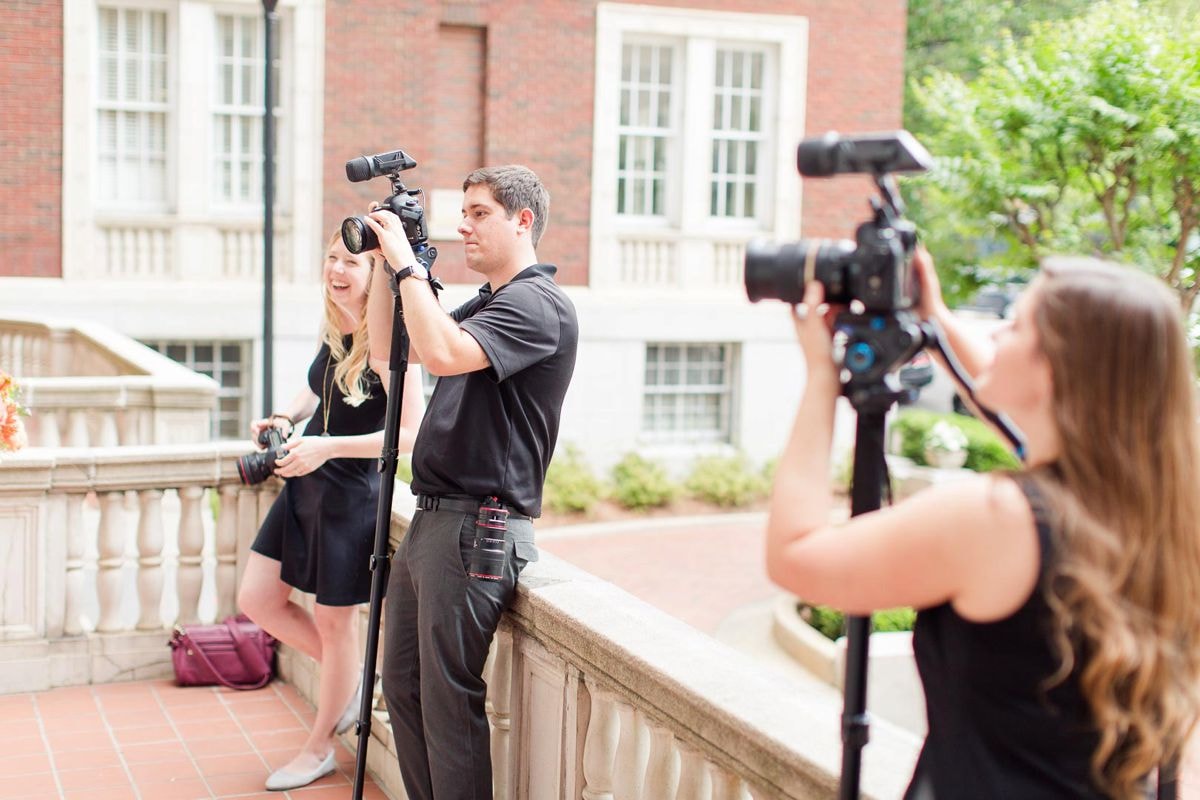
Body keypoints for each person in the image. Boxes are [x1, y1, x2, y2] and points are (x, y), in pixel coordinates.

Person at [765, 249, 1200, 800]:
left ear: (1056, 368)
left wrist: (822, 379)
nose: (995, 335)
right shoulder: (1154, 513)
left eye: (1015, 325)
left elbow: (795, 554)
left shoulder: (998, 519)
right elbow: (1025, 419)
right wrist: (936, 319)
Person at [362, 165, 578, 800]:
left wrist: (408, 267)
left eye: (480, 213)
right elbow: (388, 352)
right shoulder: (488, 302)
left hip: (477, 528)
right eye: (463, 213)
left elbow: (444, 355)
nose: (463, 226)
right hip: (434, 519)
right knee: (402, 687)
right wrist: (384, 265)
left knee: (449, 704)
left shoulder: (539, 304)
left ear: (523, 220)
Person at [237, 230, 424, 792]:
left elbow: (413, 434)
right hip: (305, 484)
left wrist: (329, 447)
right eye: (332, 258)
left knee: (335, 623)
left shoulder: (397, 341)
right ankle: (354, 684)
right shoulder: (337, 324)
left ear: (378, 277)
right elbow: (319, 388)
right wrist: (286, 417)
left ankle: (319, 747)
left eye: (352, 263)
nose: (337, 270)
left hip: (352, 499)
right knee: (257, 598)